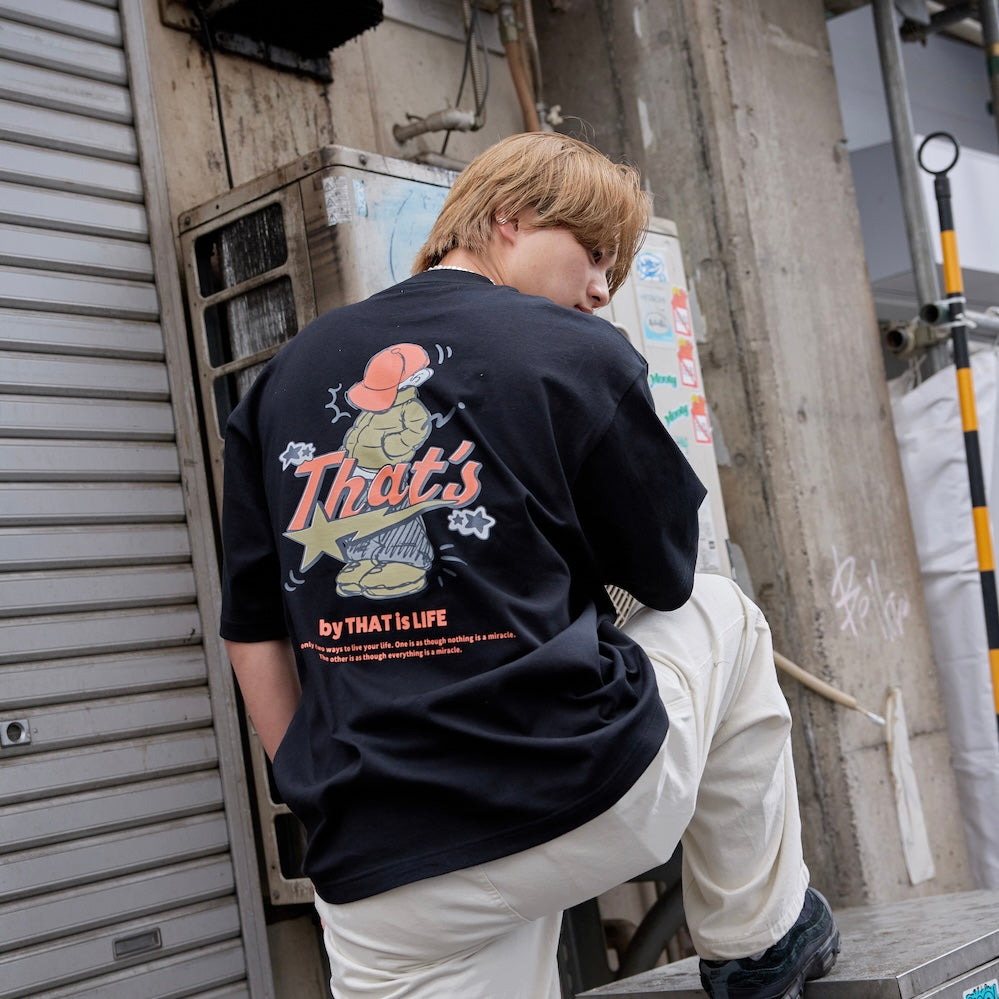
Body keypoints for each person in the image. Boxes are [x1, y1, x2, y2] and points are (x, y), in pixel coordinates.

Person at [219, 132, 840, 999]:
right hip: (571, 790)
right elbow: (664, 577)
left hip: (376, 865)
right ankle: (757, 941)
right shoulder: (570, 353)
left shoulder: (277, 385)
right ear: (507, 218)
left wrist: (325, 796)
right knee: (720, 608)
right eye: (593, 255)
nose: (599, 290)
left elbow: (254, 636)